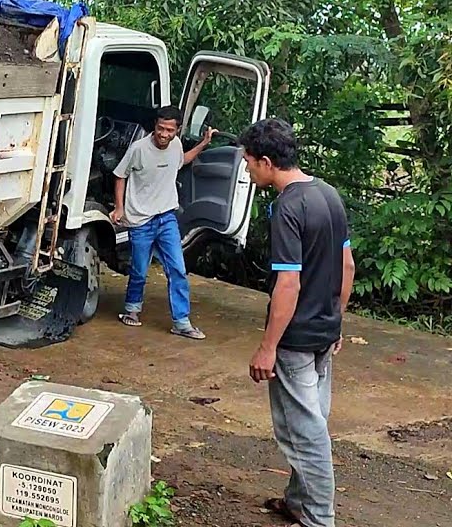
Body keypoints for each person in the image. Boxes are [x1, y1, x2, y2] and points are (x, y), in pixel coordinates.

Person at [240, 118, 353, 527]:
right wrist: (335, 320)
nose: (247, 169)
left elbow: (288, 283)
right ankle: (298, 501)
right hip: (323, 332)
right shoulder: (328, 194)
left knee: (304, 435)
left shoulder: (287, 207)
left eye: (249, 162)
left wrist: (268, 346)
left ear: (267, 162)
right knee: (311, 422)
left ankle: (319, 519)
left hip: (296, 340)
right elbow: (347, 265)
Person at [111, 105, 213, 339]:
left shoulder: (175, 145)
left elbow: (182, 161)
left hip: (166, 217)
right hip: (140, 220)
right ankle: (132, 308)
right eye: (160, 128)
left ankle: (181, 322)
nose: (164, 134)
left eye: (169, 130)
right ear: (154, 126)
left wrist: (203, 144)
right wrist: (119, 207)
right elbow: (119, 175)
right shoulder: (138, 149)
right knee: (139, 270)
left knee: (178, 269)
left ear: (177, 130)